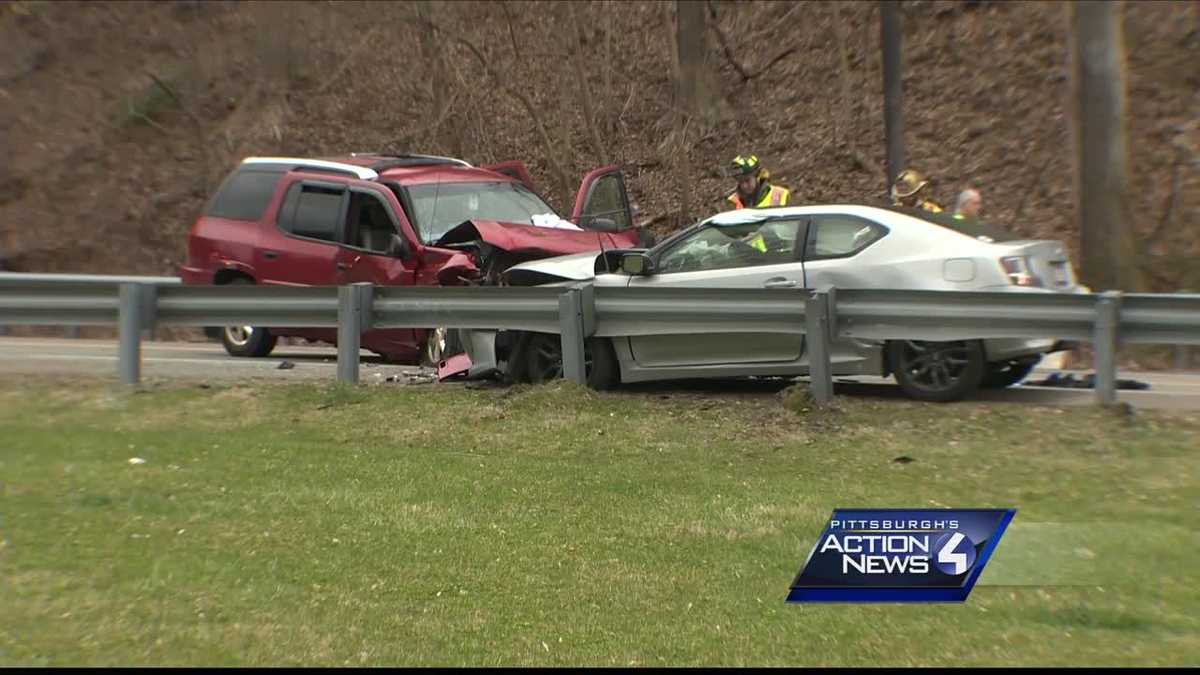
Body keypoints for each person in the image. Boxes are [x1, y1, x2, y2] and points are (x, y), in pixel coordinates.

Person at [725, 155, 790, 210]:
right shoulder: (732, 201)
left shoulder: (780, 195)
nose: (744, 186)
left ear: (758, 176)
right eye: (740, 182)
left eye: (747, 180)